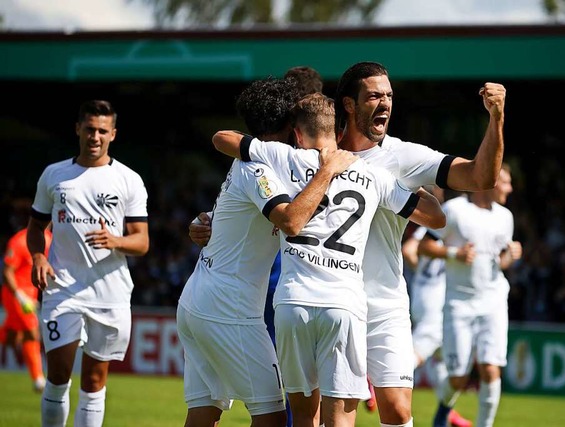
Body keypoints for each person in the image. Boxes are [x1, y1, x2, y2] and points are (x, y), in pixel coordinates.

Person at [212, 92, 446, 427]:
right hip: (344, 306)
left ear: (296, 134)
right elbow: (435, 218)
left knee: (305, 417)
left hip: (293, 304)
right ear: (338, 132)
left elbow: (223, 139)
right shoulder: (372, 175)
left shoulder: (280, 156)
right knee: (340, 420)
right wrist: (403, 181)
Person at [177, 78, 357, 427]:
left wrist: (205, 222)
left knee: (204, 410)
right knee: (273, 416)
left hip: (199, 299)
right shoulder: (259, 168)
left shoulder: (252, 162)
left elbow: (236, 216)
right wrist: (327, 171)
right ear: (292, 128)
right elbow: (290, 220)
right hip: (229, 309)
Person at [334, 61, 506, 426]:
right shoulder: (321, 150)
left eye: (389, 96)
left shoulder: (403, 156)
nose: (385, 104)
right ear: (349, 105)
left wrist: (496, 119)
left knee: (397, 411)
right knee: (328, 414)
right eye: (374, 96)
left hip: (385, 305)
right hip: (333, 300)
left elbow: (480, 175)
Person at [27, 99, 150, 427]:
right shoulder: (54, 175)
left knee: (95, 383)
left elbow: (142, 241)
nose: (95, 136)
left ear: (113, 134)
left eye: (102, 131)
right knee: (57, 376)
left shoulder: (128, 179)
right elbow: (36, 227)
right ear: (78, 129)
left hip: (109, 292)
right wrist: (38, 255)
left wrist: (116, 241)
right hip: (62, 288)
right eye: (90, 129)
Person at [420, 165, 521, 427]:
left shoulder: (505, 216)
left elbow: (500, 261)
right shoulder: (455, 211)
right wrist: (455, 254)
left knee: (491, 368)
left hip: (494, 300)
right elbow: (424, 245)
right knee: (458, 378)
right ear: (490, 181)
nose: (510, 189)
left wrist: (510, 256)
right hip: (459, 303)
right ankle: (444, 408)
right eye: (506, 182)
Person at [401, 187, 472, 427]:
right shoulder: (448, 227)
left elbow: (409, 250)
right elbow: (410, 250)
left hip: (423, 293)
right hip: (436, 300)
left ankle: (448, 413)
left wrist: (421, 270)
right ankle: (371, 377)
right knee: (418, 352)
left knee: (442, 362)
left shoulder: (427, 228)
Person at [2, 224, 52, 393]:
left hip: (30, 296)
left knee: (12, 337)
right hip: (15, 294)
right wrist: (19, 296)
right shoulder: (20, 240)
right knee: (32, 332)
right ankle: (38, 379)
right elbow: (7, 272)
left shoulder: (51, 239)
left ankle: (38, 378)